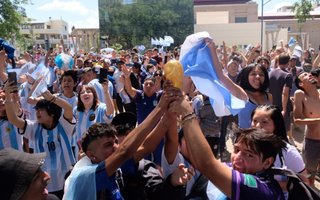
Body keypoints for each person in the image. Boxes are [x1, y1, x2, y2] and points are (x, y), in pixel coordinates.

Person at [64, 88, 188, 200]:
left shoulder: (116, 167)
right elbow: (124, 151)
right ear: (91, 155)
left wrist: (169, 114)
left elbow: (146, 146)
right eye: (108, 145)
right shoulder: (84, 176)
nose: (116, 147)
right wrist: (160, 108)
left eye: (116, 142)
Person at [5, 82, 76, 199]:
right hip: (46, 185)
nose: (37, 112)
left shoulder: (64, 125)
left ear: (52, 113)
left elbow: (68, 108)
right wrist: (8, 96)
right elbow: (13, 119)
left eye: (40, 109)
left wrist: (52, 98)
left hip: (68, 181)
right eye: (36, 109)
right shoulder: (34, 128)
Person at [251, 104, 309, 197]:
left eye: (264, 122)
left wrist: (276, 185)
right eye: (254, 121)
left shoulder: (288, 152)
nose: (257, 126)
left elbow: (304, 183)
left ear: (276, 125)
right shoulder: (245, 147)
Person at [293, 71, 320, 186]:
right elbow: (297, 120)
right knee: (309, 176)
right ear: (300, 84)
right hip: (312, 143)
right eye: (304, 75)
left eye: (309, 74)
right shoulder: (300, 95)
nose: (308, 75)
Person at [237, 63, 272, 128]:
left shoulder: (269, 96)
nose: (258, 77)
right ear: (246, 77)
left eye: (261, 74)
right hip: (246, 136)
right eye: (253, 74)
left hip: (265, 137)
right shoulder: (241, 94)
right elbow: (222, 78)